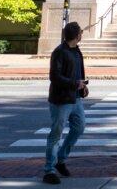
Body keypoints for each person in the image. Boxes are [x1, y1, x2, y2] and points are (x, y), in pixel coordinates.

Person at [43, 21, 88, 184]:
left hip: (75, 98)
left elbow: (78, 73)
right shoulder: (59, 52)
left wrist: (82, 86)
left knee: (79, 127)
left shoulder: (77, 51)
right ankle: (49, 170)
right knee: (56, 134)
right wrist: (75, 84)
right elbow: (54, 77)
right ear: (76, 36)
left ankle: (61, 159)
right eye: (81, 33)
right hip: (61, 100)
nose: (81, 35)